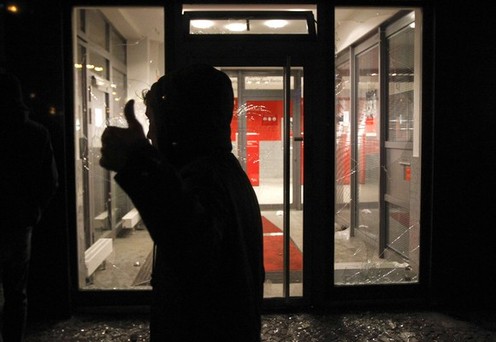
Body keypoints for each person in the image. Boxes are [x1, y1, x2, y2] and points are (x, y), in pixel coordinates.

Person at [100, 64, 265, 341]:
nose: (151, 134)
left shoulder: (204, 176)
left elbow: (193, 246)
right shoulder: (222, 168)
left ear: (177, 121)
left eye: (153, 121)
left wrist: (139, 163)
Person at [0, 72, 58, 342]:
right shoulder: (36, 133)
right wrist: (34, 210)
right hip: (19, 221)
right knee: (16, 292)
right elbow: (50, 181)